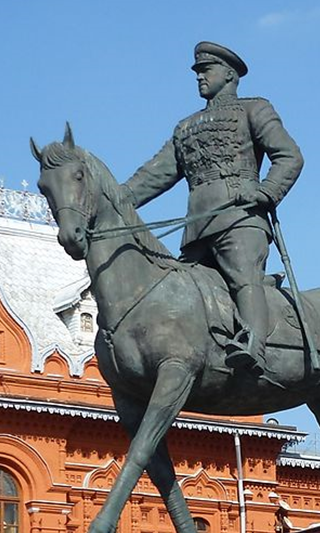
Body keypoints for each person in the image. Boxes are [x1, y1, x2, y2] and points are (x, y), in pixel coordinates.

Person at [118, 41, 304, 375]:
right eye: (198, 72)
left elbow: (289, 155)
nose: (200, 77)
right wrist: (117, 199)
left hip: (240, 218)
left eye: (207, 70)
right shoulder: (186, 127)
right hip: (198, 228)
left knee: (243, 276)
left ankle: (254, 346)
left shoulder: (254, 110)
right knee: (176, 290)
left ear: (229, 75)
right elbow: (156, 174)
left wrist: (267, 191)